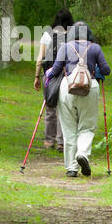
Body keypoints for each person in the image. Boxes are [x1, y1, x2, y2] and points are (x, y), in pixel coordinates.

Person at [44, 21, 110, 177]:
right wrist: (97, 69)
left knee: (68, 129)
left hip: (67, 88)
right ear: (88, 33)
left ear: (72, 33)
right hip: (89, 88)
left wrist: (47, 74)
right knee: (87, 127)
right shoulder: (95, 48)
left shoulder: (65, 47)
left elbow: (56, 70)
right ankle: (82, 154)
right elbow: (106, 70)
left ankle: (71, 168)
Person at [34, 9, 74, 150]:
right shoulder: (73, 35)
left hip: (50, 74)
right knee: (64, 108)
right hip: (68, 76)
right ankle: (61, 142)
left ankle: (49, 141)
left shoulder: (47, 35)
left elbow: (40, 58)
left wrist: (37, 77)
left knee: (50, 107)